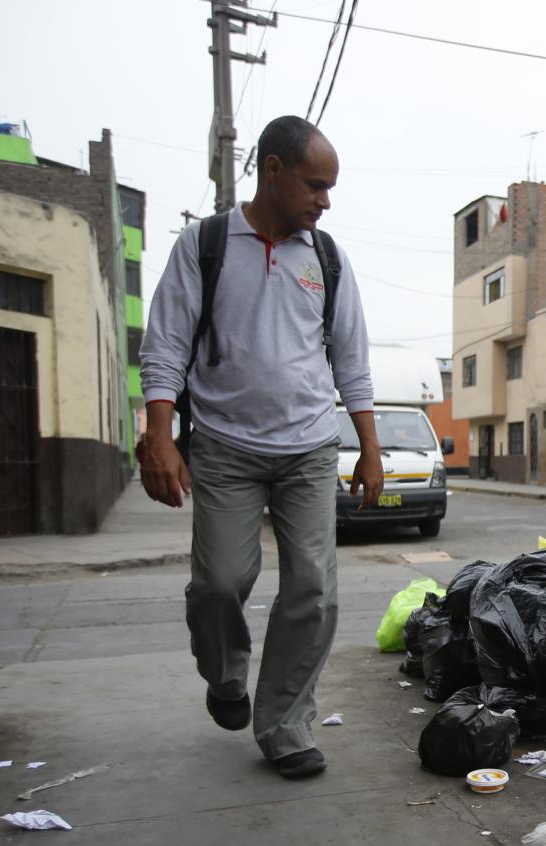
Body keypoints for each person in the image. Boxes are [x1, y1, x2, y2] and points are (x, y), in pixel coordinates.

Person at [138, 115, 380, 780]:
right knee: (220, 584)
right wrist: (158, 435)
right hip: (224, 447)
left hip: (308, 449)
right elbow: (165, 347)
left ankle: (284, 722)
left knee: (315, 591)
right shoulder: (206, 245)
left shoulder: (326, 259)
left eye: (329, 189)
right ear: (272, 170)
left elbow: (352, 362)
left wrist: (369, 448)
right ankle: (224, 675)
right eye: (315, 184)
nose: (324, 201)